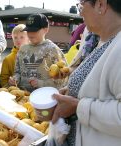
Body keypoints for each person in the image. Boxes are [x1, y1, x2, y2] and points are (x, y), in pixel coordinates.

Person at [51, 0, 121, 146]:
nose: (80, 11)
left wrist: (77, 106)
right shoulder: (103, 41)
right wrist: (73, 93)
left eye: (82, 4)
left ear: (100, 5)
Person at [9, 13, 67, 92]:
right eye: (28, 30)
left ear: (46, 29)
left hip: (44, 97)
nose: (30, 34)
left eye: (34, 30)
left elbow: (64, 78)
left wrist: (41, 83)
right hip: (24, 96)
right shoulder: (23, 49)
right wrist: (15, 79)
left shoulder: (52, 50)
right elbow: (17, 72)